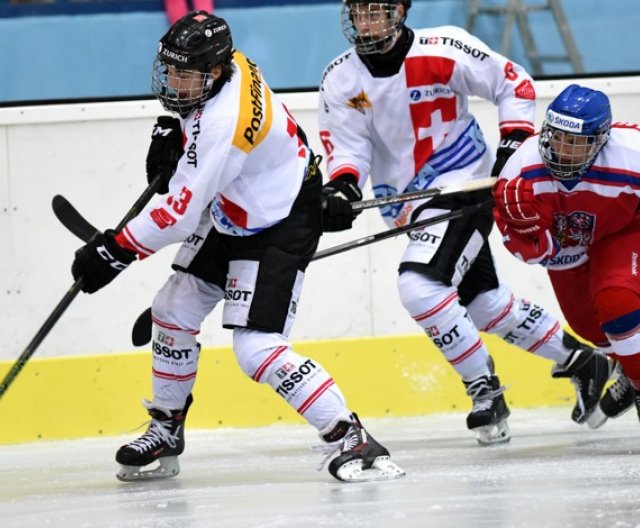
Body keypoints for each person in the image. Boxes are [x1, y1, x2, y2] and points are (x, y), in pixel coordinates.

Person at [70, 11, 404, 483]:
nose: (176, 83)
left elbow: (179, 214)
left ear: (216, 71)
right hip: (236, 209)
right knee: (173, 307)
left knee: (256, 348)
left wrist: (116, 250)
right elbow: (199, 143)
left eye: (187, 75)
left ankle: (354, 438)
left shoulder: (225, 122)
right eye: (172, 72)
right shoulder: (233, 66)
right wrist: (174, 130)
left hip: (278, 220)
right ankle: (167, 427)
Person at [318, 0, 611, 445]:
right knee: (484, 302)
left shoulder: (444, 47)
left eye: (377, 12)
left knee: (420, 288)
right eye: (360, 13)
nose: (367, 22)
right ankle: (581, 360)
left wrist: (512, 144)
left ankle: (485, 390)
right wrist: (341, 186)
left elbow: (513, 82)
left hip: (463, 185)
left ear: (399, 13)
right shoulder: (339, 78)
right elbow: (349, 147)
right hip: (407, 200)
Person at [492, 84, 640, 428]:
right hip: (567, 250)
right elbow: (534, 254)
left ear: (601, 139)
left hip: (622, 231)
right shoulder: (520, 169)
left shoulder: (631, 152)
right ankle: (628, 367)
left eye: (575, 142)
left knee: (616, 301)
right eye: (557, 137)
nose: (562, 149)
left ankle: (637, 383)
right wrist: (529, 232)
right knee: (589, 326)